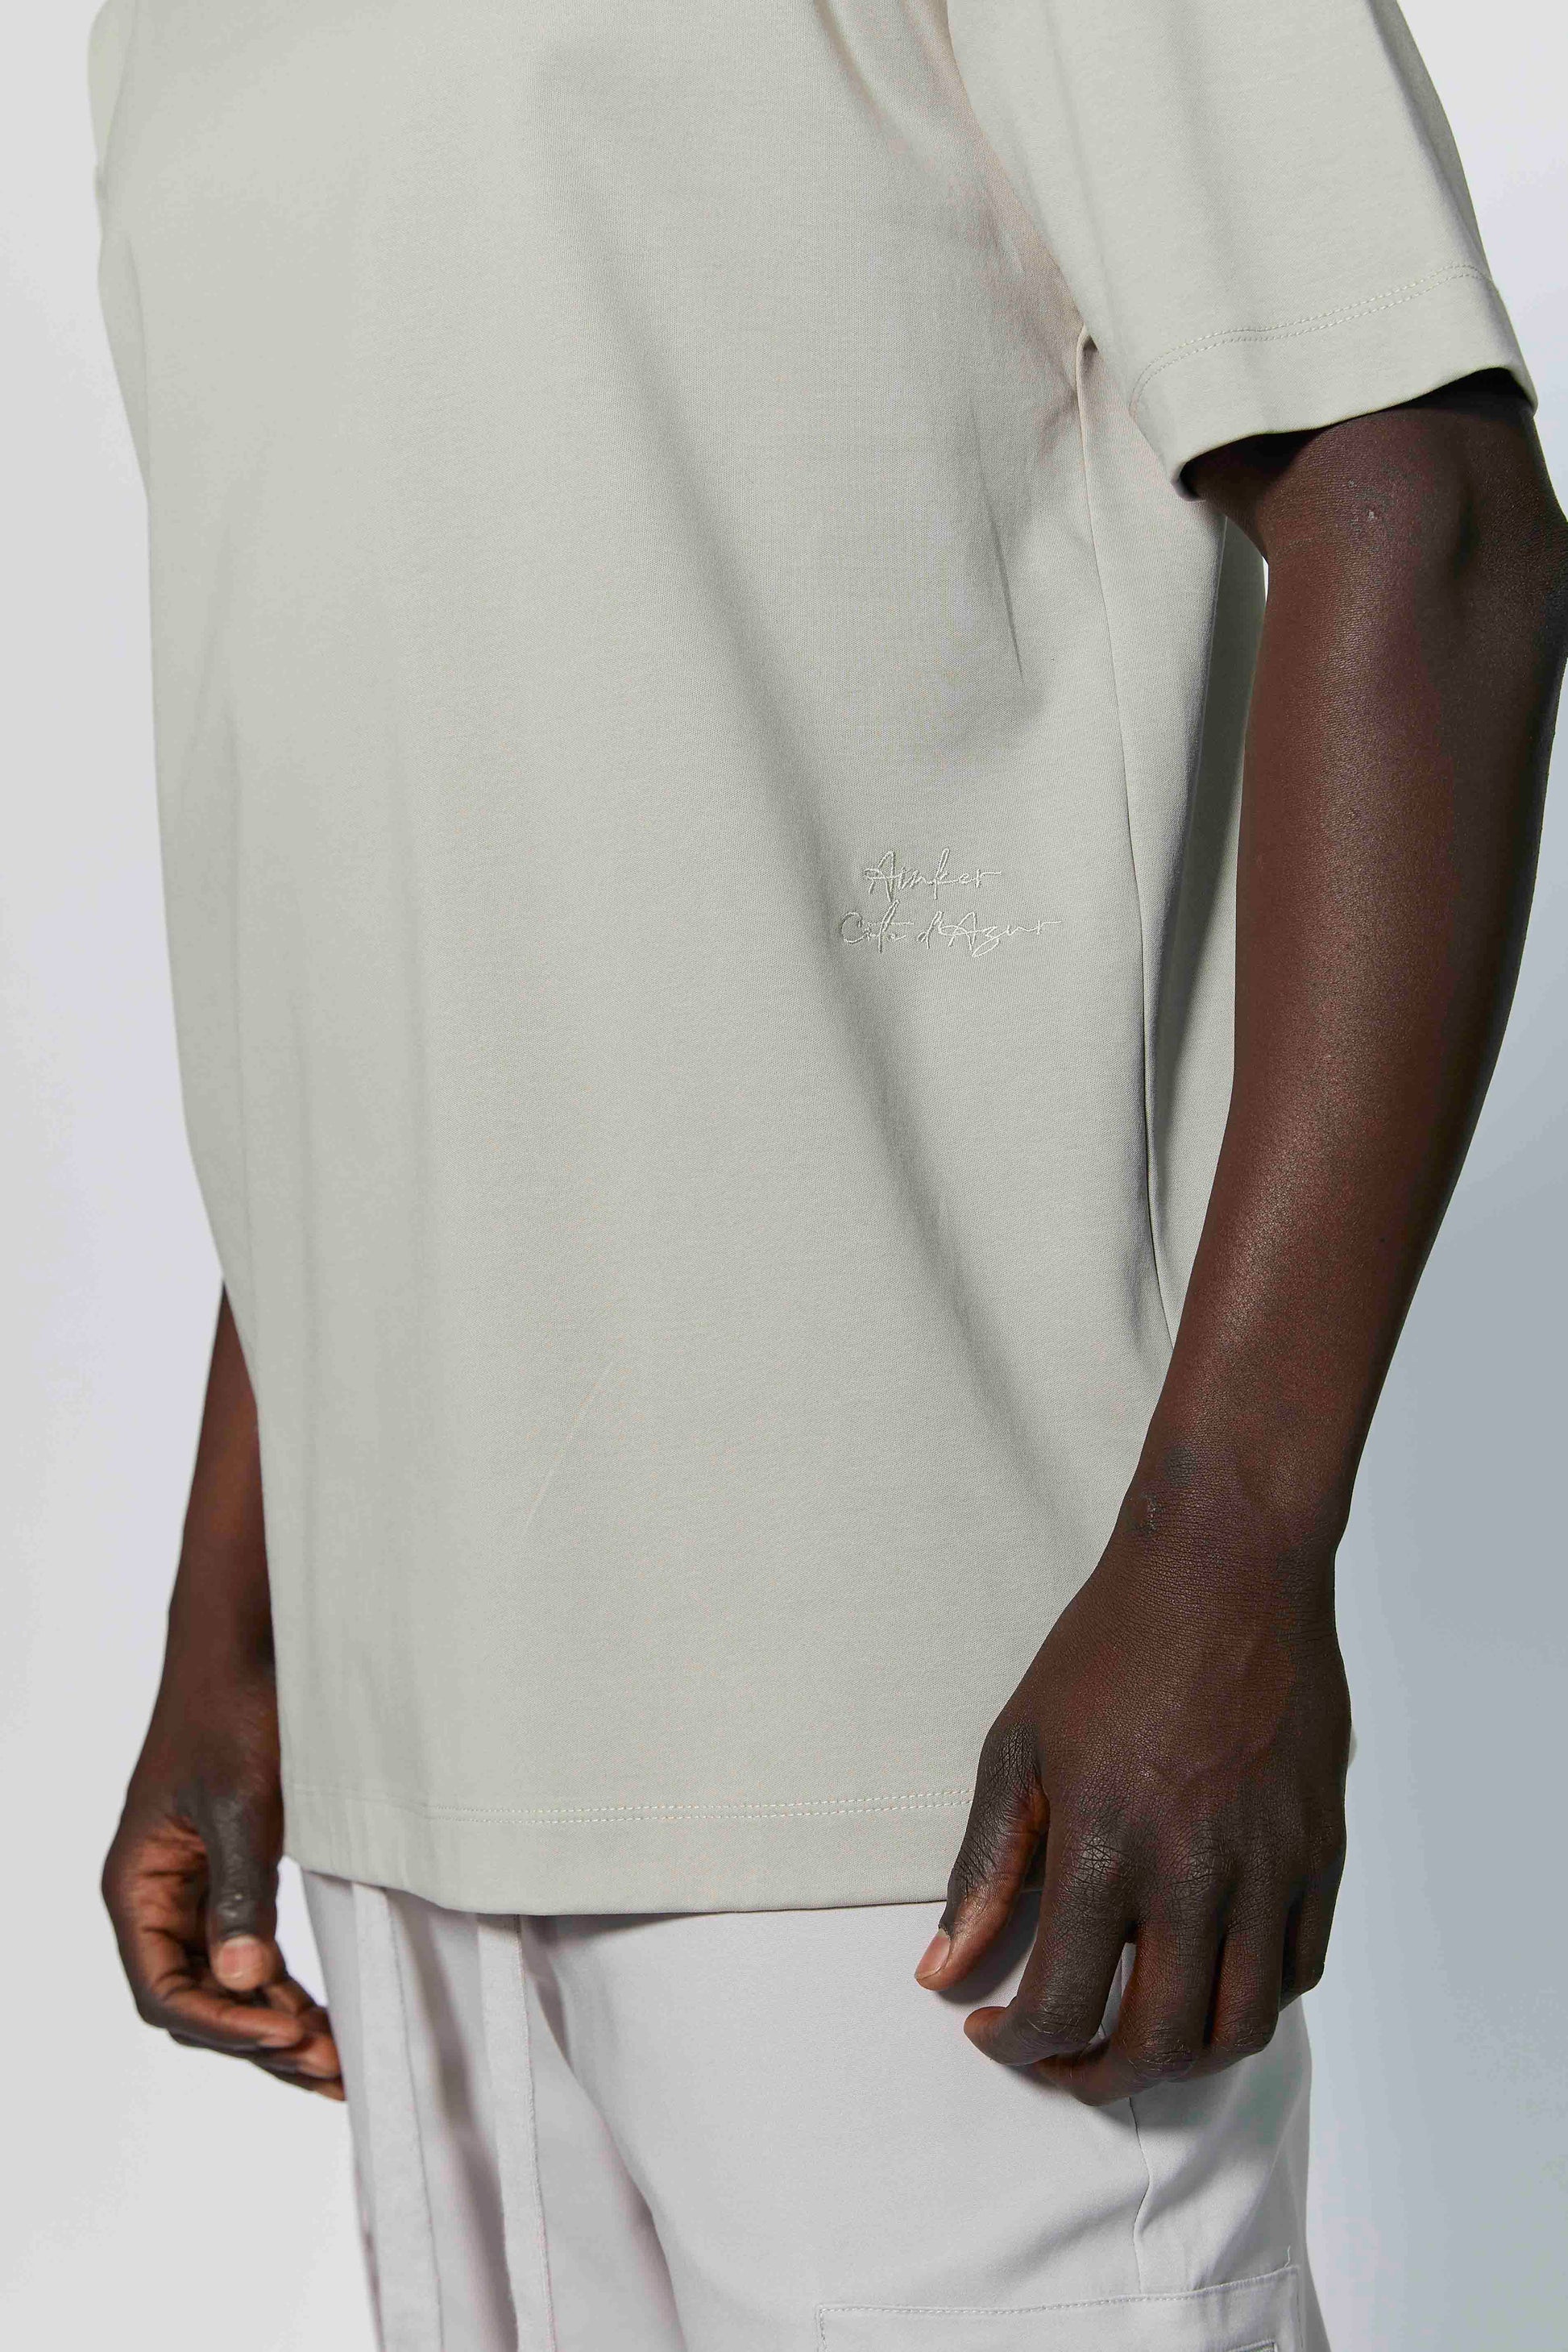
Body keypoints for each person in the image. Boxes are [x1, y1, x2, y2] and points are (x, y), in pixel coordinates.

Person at [88, 0, 1565, 2345]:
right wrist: (241, 1614)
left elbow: (1432, 516)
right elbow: (409, 786)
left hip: (934, 1745)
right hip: (419, 1754)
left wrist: (1231, 1538)